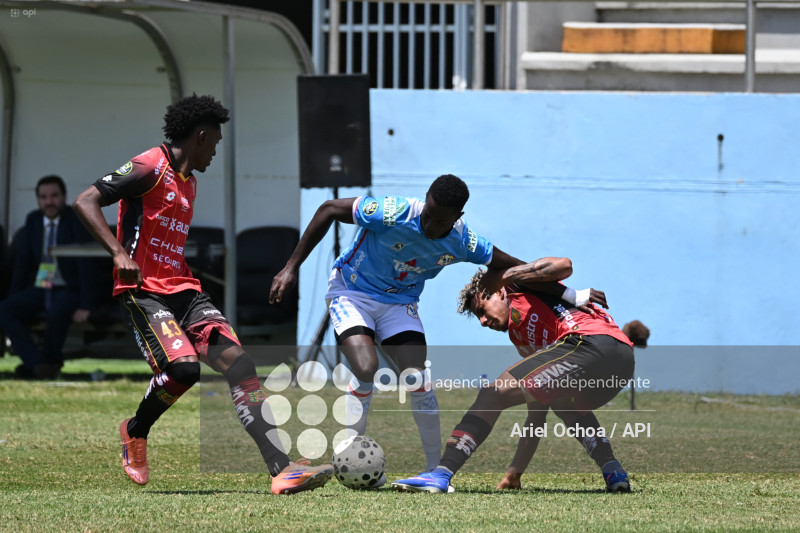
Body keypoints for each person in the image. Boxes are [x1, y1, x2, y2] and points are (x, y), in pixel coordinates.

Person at [73, 94, 332, 494]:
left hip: (185, 290)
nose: (214, 152)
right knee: (184, 371)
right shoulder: (149, 166)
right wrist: (119, 254)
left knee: (241, 365)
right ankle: (135, 430)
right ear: (201, 136)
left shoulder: (189, 182)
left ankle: (282, 470)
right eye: (214, 143)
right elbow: (85, 201)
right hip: (144, 292)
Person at [269, 176, 593, 477]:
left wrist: (569, 294)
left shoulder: (463, 240)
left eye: (441, 222)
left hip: (399, 303)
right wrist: (290, 267)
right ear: (425, 200)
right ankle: (350, 455)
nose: (431, 226)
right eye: (429, 215)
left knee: (417, 378)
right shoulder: (393, 212)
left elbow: (516, 267)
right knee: (366, 368)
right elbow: (328, 209)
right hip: (352, 292)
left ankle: (434, 470)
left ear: (457, 216)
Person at [391, 258, 635, 493]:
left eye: (482, 310)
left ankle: (440, 474)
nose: (483, 321)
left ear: (498, 293)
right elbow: (536, 413)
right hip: (621, 359)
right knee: (562, 403)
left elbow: (564, 264)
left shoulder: (518, 285)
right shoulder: (521, 337)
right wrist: (514, 473)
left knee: (491, 394)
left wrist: (504, 275)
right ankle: (613, 470)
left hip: (587, 341)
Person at [0, 175, 98, 379]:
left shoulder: (76, 219)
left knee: (58, 311)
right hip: (42, 284)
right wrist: (14, 296)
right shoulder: (34, 220)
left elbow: (86, 264)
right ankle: (37, 363)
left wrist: (86, 305)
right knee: (5, 310)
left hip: (68, 287)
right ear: (38, 199)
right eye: (43, 197)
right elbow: (23, 263)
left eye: (54, 196)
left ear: (64, 197)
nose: (49, 201)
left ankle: (44, 364)